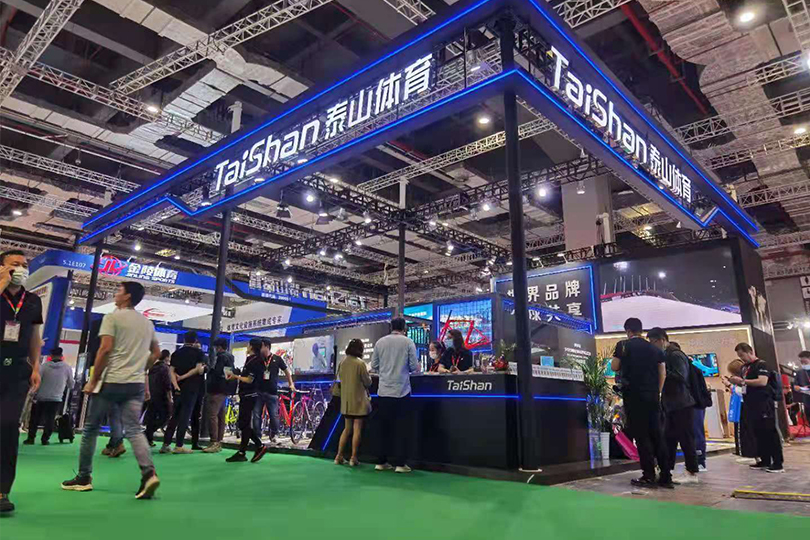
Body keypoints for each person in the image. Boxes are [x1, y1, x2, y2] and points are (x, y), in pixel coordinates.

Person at [61, 281, 161, 499]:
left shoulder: (112, 318)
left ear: (127, 296)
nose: (115, 294)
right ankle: (148, 474)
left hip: (112, 380)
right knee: (134, 429)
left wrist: (93, 380)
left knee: (91, 429)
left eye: (119, 291)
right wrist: (140, 368)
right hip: (135, 383)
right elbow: (156, 353)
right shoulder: (147, 323)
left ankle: (84, 477)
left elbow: (105, 349)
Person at [0, 250, 42, 514]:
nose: (21, 269)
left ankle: (2, 489)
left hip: (17, 371)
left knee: (7, 425)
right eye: (14, 264)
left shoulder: (33, 301)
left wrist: (35, 366)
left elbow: (35, 335)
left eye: (24, 265)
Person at [611, 318, 670, 488]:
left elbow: (614, 366)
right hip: (652, 397)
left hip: (634, 396)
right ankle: (666, 476)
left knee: (642, 436)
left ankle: (648, 475)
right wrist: (657, 392)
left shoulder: (623, 345)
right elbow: (663, 373)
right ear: (641, 330)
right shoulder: (654, 349)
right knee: (657, 435)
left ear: (628, 331)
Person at [646, 329, 698, 484]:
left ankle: (692, 472)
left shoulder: (675, 355)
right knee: (669, 439)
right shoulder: (665, 355)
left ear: (661, 340)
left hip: (682, 404)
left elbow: (681, 376)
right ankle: (667, 471)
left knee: (686, 438)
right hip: (671, 404)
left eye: (653, 342)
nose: (652, 346)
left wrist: (661, 372)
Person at [370, 317, 419, 473]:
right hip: (401, 391)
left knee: (383, 428)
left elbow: (374, 365)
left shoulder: (380, 342)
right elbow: (414, 366)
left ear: (391, 327)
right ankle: (400, 464)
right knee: (401, 429)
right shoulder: (408, 342)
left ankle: (381, 462)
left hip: (383, 391)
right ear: (404, 328)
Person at [727, 343, 784, 473]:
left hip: (764, 403)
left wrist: (742, 381)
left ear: (750, 352)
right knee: (758, 433)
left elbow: (762, 381)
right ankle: (764, 460)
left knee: (770, 433)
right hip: (750, 404)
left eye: (742, 355)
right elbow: (745, 385)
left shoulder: (761, 365)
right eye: (739, 356)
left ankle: (777, 463)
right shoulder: (745, 367)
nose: (741, 358)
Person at [161, 331, 206, 454]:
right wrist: (184, 377)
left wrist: (176, 385)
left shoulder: (176, 353)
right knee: (185, 416)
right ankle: (179, 445)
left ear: (184, 339)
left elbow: (171, 371)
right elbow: (198, 369)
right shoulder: (199, 353)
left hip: (178, 389)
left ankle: (165, 444)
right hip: (192, 388)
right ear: (195, 340)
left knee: (175, 416)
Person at [225, 339, 268, 463]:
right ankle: (242, 452)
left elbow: (249, 380)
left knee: (243, 423)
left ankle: (259, 445)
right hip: (246, 394)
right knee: (244, 424)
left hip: (250, 395)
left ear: (252, 346)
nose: (247, 347)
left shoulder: (256, 361)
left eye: (248, 345)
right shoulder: (252, 359)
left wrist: (236, 376)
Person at [335, 339, 372, 466]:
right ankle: (353, 458)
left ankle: (339, 456)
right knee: (357, 430)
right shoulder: (360, 364)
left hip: (346, 402)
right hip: (359, 402)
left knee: (346, 429)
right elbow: (368, 382)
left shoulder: (342, 363)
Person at [25, 347, 72, 446]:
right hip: (56, 398)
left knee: (35, 419)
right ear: (61, 356)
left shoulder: (44, 366)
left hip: (41, 397)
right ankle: (45, 439)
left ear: (51, 356)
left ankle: (31, 438)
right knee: (50, 419)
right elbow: (71, 384)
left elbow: (37, 380)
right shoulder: (67, 368)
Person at [253, 339, 295, 446]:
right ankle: (257, 436)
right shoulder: (258, 359)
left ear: (267, 347)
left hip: (272, 392)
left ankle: (274, 435)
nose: (260, 349)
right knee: (256, 414)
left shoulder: (277, 359)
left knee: (273, 415)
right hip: (259, 391)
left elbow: (287, 371)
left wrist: (291, 384)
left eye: (261, 346)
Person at [203, 338, 235, 453]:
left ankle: (214, 442)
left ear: (219, 347)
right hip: (225, 389)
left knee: (212, 415)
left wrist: (209, 370)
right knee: (221, 415)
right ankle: (219, 441)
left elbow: (217, 372)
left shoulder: (221, 357)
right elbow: (228, 374)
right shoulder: (230, 357)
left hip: (216, 389)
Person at [144, 350, 173, 446]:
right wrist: (169, 397)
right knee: (165, 416)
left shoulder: (153, 367)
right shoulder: (165, 368)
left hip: (151, 395)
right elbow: (167, 384)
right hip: (161, 396)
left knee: (151, 417)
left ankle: (148, 438)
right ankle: (147, 433)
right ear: (167, 357)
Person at [792, 351, 810, 426]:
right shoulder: (799, 373)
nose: (803, 364)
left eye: (805, 362)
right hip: (807, 400)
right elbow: (795, 386)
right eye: (802, 362)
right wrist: (801, 388)